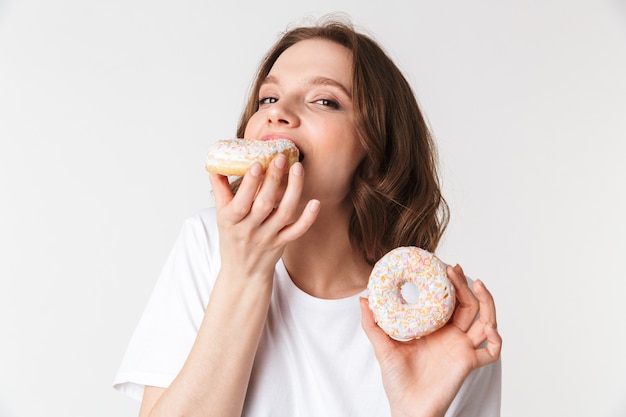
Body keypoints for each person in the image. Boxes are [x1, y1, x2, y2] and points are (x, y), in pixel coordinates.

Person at [114, 17, 502, 417]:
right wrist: (244, 275)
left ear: (378, 146)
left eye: (324, 100)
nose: (278, 112)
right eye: (268, 98)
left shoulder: (449, 322)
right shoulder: (208, 245)